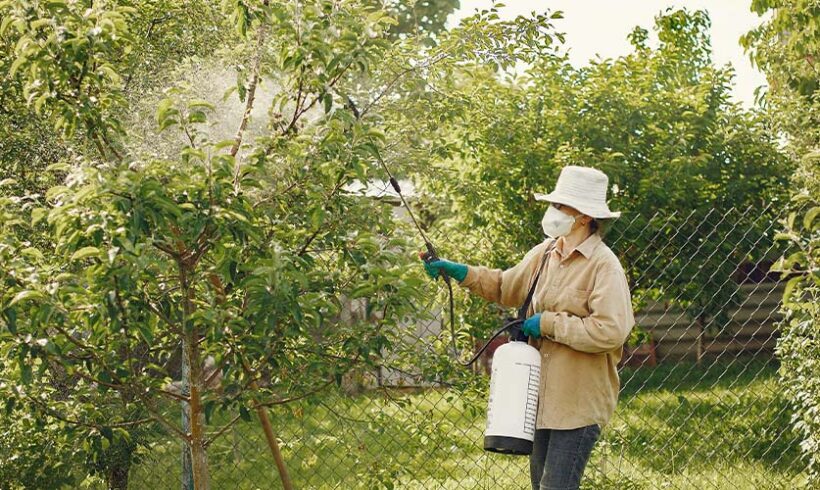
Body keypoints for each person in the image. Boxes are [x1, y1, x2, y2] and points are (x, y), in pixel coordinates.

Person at [422, 165, 635, 490]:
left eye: (561, 206)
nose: (553, 211)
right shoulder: (546, 253)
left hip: (577, 404)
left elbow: (610, 331)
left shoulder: (604, 266)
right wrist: (459, 271)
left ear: (584, 216)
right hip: (540, 400)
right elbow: (504, 286)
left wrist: (548, 324)